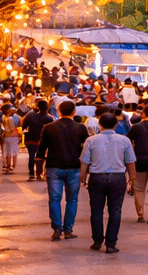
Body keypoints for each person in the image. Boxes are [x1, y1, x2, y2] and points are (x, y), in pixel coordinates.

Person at [80, 110, 137, 254]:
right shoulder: (125, 140)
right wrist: (132, 179)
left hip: (97, 178)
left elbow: (84, 162)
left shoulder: (91, 140)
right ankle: (111, 243)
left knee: (96, 211)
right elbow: (130, 162)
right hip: (118, 178)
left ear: (99, 124)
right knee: (115, 211)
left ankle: (97, 240)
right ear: (116, 124)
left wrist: (83, 178)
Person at [36, 98, 89, 241]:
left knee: (54, 199)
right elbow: (86, 150)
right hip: (74, 167)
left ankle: (57, 229)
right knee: (72, 199)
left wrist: (39, 170)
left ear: (59, 111)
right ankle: (68, 230)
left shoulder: (49, 127)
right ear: (74, 112)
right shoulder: (81, 128)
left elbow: (41, 151)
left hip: (54, 167)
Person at [22, 98, 53, 181]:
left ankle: (31, 173)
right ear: (47, 107)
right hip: (44, 140)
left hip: (31, 139)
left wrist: (25, 133)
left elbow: (24, 126)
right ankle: (40, 174)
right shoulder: (50, 118)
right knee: (42, 157)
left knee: (31, 156)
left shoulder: (30, 115)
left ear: (38, 107)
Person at [1, 104, 20, 173]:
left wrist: (5, 133)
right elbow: (14, 128)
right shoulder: (17, 117)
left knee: (8, 152)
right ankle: (13, 166)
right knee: (14, 152)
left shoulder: (6, 118)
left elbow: (8, 128)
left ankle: (8, 165)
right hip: (14, 136)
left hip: (7, 136)